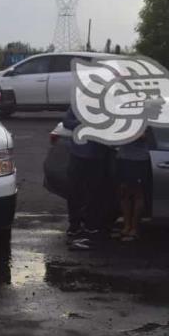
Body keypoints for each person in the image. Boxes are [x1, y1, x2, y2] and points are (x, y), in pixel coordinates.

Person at [62, 107, 109, 250]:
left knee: (95, 192)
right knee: (74, 191)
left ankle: (91, 225)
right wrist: (82, 123)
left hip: (98, 156)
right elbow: (66, 122)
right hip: (77, 156)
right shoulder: (78, 105)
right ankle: (74, 225)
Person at [114, 133, 150, 242]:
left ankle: (134, 229)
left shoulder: (145, 117)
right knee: (124, 192)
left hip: (139, 160)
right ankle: (126, 226)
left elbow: (144, 136)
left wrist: (129, 132)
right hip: (123, 158)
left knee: (137, 193)